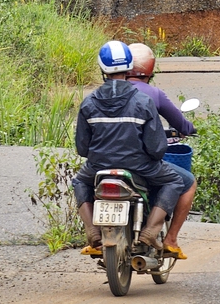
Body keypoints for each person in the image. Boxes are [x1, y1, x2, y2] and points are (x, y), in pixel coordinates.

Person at [73, 41, 184, 256]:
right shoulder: (143, 101)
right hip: (140, 167)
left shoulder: (88, 104)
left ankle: (91, 229)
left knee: (79, 181)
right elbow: (157, 149)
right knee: (174, 180)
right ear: (129, 67)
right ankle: (151, 230)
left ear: (102, 69)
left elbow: (82, 148)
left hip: (98, 167)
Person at [126, 42, 197, 260]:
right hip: (142, 163)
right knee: (186, 182)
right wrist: (188, 129)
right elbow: (180, 123)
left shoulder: (104, 94)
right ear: (150, 71)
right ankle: (170, 239)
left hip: (104, 161)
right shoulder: (154, 94)